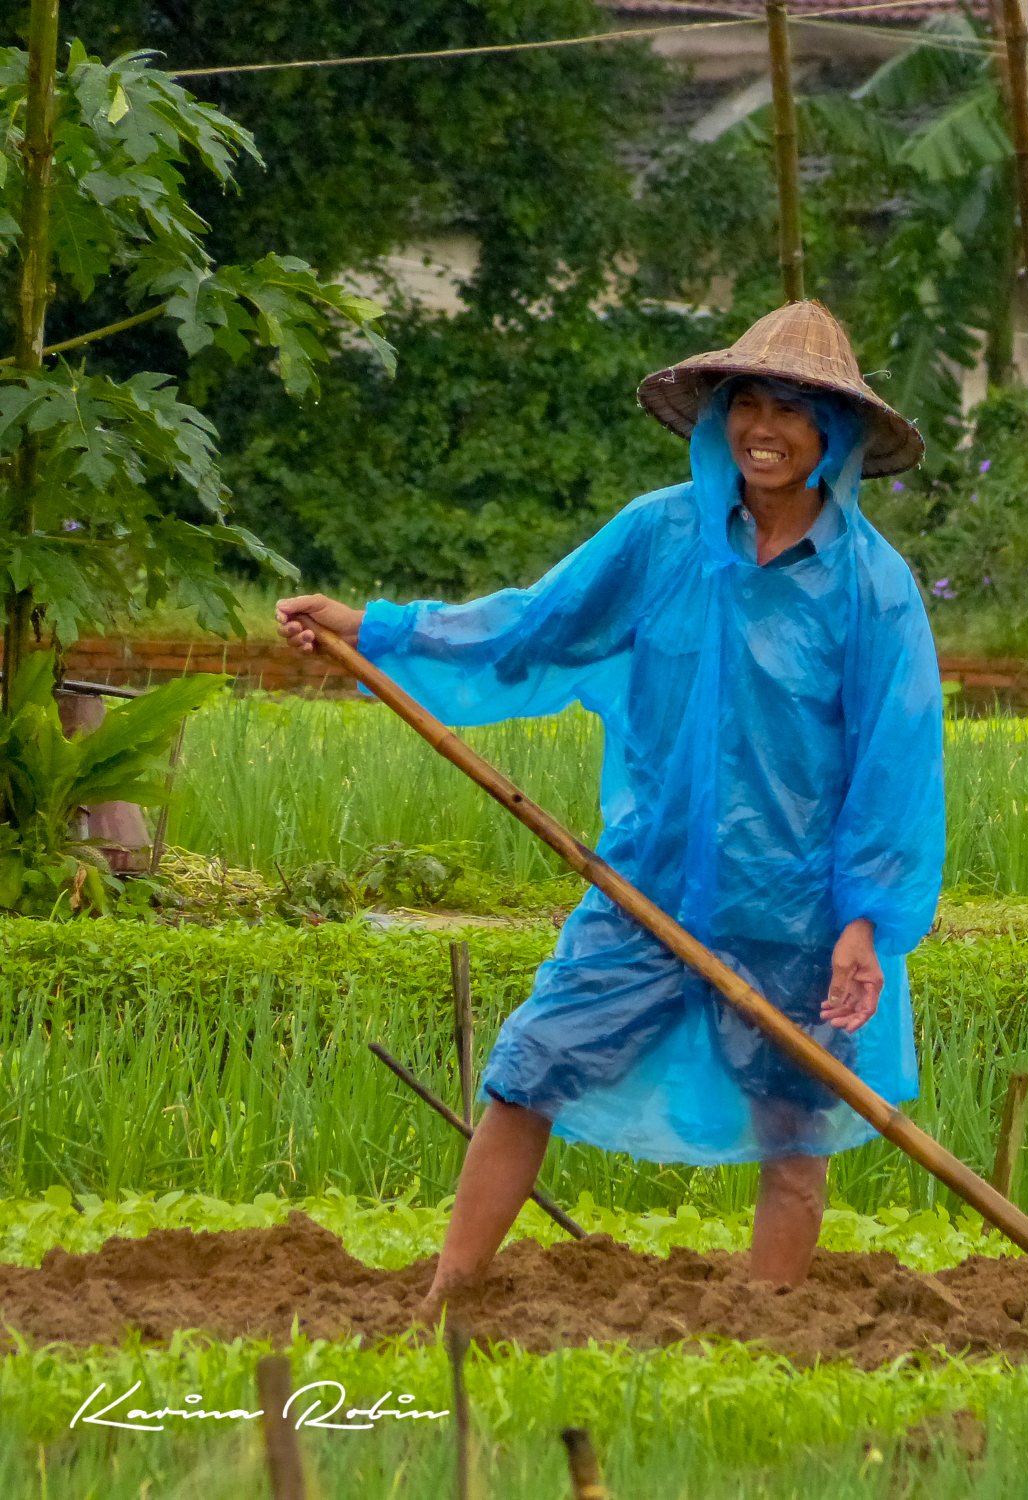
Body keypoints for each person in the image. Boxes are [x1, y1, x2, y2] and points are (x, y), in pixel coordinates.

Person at [276, 302, 945, 1316]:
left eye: (792, 412)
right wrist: (373, 628)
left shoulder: (870, 589)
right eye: (746, 404)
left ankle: (765, 1336)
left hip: (795, 904)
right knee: (528, 1066)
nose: (764, 428)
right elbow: (531, 627)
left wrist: (863, 921)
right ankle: (449, 1294)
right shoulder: (657, 536)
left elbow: (894, 765)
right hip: (647, 884)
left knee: (794, 1122)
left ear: (833, 436)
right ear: (719, 417)